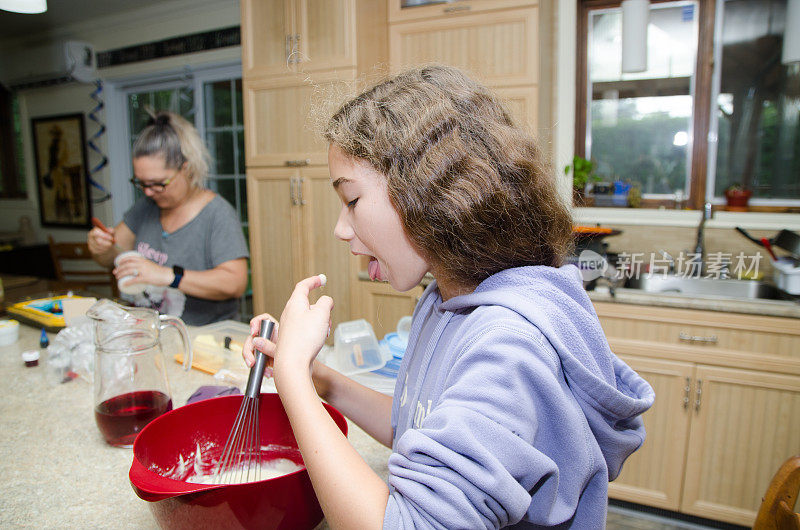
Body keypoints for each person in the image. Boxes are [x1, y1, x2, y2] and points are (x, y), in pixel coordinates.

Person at [243, 65, 655, 528]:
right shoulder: (445, 296)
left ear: (427, 192)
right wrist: (321, 379)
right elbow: (418, 426)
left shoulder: (508, 346)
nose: (341, 228)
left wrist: (295, 382)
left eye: (352, 200)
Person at [87, 111, 249, 326]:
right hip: (152, 333)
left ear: (186, 168)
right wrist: (101, 248)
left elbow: (234, 283)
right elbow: (111, 257)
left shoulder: (217, 214)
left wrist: (169, 276)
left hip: (204, 341)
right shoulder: (146, 207)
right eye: (142, 183)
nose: (148, 192)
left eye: (158, 183)